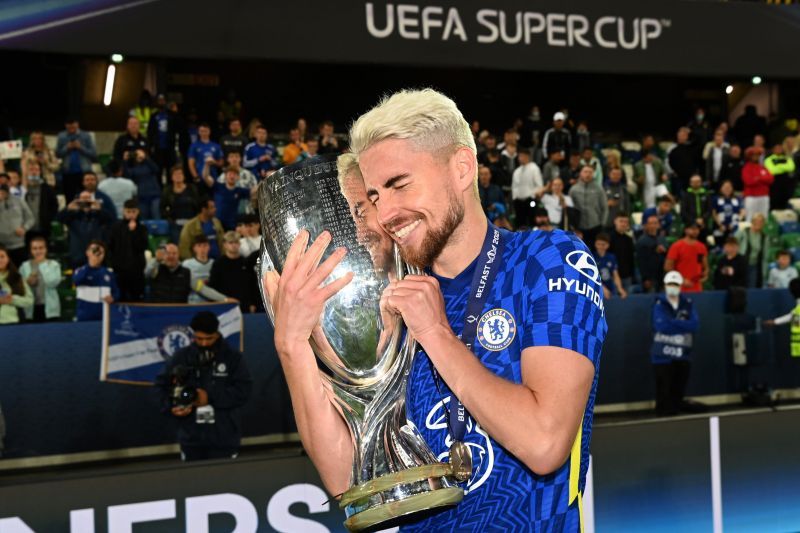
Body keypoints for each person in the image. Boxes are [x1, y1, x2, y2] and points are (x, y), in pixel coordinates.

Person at [264, 89, 607, 530]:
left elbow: (544, 443)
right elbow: (348, 480)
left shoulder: (546, 260)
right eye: (372, 198)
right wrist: (292, 344)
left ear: (461, 168)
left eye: (398, 184)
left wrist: (436, 334)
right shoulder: (389, 297)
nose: (385, 212)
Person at [154, 310, 252, 462]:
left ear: (217, 334)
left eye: (209, 338)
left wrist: (209, 397)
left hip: (224, 437)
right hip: (191, 438)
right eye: (199, 338)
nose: (204, 343)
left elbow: (243, 391)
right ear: (193, 335)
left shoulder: (233, 358)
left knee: (226, 484)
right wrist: (172, 406)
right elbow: (160, 386)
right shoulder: (181, 357)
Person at [650, 271, 700, 417]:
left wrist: (672, 324)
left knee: (679, 387)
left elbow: (695, 325)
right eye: (670, 284)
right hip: (662, 355)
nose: (673, 287)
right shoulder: (659, 304)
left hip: (683, 354)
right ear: (665, 285)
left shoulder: (688, 303)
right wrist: (682, 324)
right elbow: (661, 326)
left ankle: (676, 413)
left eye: (676, 284)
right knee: (664, 389)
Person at [57, 191, 114, 267]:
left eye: (88, 198)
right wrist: (68, 209)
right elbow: (58, 219)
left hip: (95, 255)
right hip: (77, 255)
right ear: (78, 199)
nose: (85, 200)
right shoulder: (72, 215)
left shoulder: (98, 214)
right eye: (83, 198)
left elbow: (110, 220)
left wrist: (100, 210)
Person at [108, 199, 149, 302]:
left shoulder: (142, 229)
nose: (131, 215)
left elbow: (142, 247)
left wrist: (133, 232)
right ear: (123, 212)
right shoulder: (115, 227)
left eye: (133, 212)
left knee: (137, 300)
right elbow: (111, 247)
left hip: (136, 272)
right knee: (120, 299)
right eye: (128, 212)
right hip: (120, 271)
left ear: (138, 212)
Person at [208, 232, 253, 312]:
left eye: (236, 242)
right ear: (225, 244)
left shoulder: (246, 263)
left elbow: (251, 285)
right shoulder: (218, 264)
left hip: (244, 305)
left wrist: (252, 303)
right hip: (224, 305)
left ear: (239, 244)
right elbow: (213, 285)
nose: (234, 245)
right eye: (231, 242)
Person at [73, 240, 118, 321]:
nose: (98, 254)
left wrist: (113, 298)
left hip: (104, 318)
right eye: (94, 250)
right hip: (84, 318)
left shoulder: (109, 273)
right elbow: (77, 281)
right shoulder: (80, 270)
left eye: (101, 252)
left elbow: (116, 292)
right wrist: (90, 266)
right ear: (87, 252)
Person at [19, 237, 62, 322]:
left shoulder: (54, 265)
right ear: (31, 250)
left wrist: (43, 264)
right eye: (34, 248)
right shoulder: (24, 266)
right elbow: (20, 287)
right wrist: (28, 282)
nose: (38, 251)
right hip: (31, 309)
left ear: (46, 249)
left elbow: (52, 283)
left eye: (41, 248)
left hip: (50, 310)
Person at [55, 117, 97, 203]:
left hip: (84, 171)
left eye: (73, 127)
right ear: (66, 126)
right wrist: (67, 147)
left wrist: (80, 147)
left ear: (77, 125)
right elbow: (57, 154)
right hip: (67, 172)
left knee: (86, 197)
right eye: (69, 128)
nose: (71, 129)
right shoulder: (61, 136)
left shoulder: (86, 136)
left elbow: (93, 154)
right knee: (69, 199)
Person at [569, 164, 608, 250]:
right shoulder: (573, 189)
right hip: (579, 227)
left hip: (595, 226)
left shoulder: (599, 189)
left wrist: (602, 224)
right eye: (585, 172)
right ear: (581, 173)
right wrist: (573, 226)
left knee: (594, 252)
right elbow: (570, 210)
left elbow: (604, 207)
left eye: (590, 172)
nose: (588, 174)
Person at [203, 166, 252, 231]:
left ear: (238, 177)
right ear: (225, 176)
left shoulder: (239, 191)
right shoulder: (218, 186)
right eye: (230, 174)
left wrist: (266, 180)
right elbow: (205, 177)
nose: (232, 176)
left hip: (232, 225)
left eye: (234, 174)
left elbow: (254, 191)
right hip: (217, 223)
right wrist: (207, 165)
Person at [161, 165, 200, 245]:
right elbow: (162, 207)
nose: (178, 176)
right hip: (175, 224)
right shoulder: (167, 191)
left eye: (180, 174)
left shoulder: (191, 189)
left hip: (191, 222)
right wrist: (169, 219)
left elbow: (198, 205)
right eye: (175, 174)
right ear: (171, 177)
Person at [182, 235, 227, 304]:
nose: (202, 249)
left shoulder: (215, 263)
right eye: (199, 246)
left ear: (209, 247)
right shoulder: (186, 264)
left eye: (205, 245)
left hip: (213, 300)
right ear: (194, 248)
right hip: (193, 301)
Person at [664, 223, 709, 293]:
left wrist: (705, 275)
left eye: (697, 229)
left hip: (696, 288)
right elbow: (668, 267)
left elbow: (705, 266)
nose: (695, 231)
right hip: (679, 288)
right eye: (693, 229)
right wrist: (681, 280)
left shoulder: (702, 247)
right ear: (686, 230)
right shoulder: (677, 246)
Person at [22, 161, 59, 242]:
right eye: (31, 169)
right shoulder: (21, 189)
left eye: (36, 169)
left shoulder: (47, 189)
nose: (34, 172)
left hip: (43, 228)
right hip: (24, 229)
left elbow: (54, 206)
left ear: (40, 172)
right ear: (26, 172)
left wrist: (48, 220)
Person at [763, 278, 800, 357]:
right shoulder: (797, 309)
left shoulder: (797, 309)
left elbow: (793, 317)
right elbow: (794, 318)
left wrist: (775, 321)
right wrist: (775, 322)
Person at [0, 183, 34, 267]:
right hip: (1, 245)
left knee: (21, 269)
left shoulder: (19, 201)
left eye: (3, 192)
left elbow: (30, 218)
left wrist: (24, 228)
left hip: (19, 244)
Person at [147, 94, 180, 176]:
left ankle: (170, 187)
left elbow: (177, 128)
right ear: (157, 102)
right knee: (158, 170)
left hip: (170, 148)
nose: (161, 102)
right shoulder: (154, 116)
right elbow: (150, 132)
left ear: (165, 102)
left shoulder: (172, 115)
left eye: (163, 100)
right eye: (159, 100)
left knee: (171, 170)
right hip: (158, 148)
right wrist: (150, 146)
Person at [0, 244, 33, 325]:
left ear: (8, 258)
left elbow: (29, 301)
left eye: (2, 256)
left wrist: (12, 299)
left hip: (16, 324)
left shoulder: (17, 278)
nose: (0, 260)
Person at [124, 148, 161, 219]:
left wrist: (145, 158)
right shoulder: (132, 167)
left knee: (156, 216)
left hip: (154, 195)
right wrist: (125, 161)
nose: (138, 156)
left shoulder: (149, 164)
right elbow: (127, 175)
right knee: (144, 218)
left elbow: (156, 169)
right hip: (142, 197)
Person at [735, 213, 770, 289]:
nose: (758, 223)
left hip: (754, 265)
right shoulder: (743, 232)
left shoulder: (764, 237)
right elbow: (733, 243)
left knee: (752, 287)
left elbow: (765, 256)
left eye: (761, 222)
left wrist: (764, 272)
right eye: (757, 221)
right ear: (752, 222)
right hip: (741, 264)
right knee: (739, 287)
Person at [187, 123, 224, 194]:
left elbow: (221, 163)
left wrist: (214, 162)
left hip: (213, 177)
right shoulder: (194, 146)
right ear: (198, 132)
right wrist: (195, 177)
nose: (204, 133)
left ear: (209, 131)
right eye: (202, 131)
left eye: (205, 131)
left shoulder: (216, 146)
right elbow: (191, 163)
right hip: (200, 177)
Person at [510, 149, 543, 228]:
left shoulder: (534, 168)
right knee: (520, 224)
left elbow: (539, 185)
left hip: (530, 200)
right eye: (519, 156)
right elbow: (514, 186)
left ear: (528, 156)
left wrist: (534, 195)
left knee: (532, 222)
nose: (520, 158)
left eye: (522, 156)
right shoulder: (517, 171)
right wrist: (515, 198)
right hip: (518, 201)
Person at [636, 215, 669, 293]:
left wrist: (664, 251)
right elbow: (641, 261)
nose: (653, 225)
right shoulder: (642, 240)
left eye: (655, 223)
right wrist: (646, 278)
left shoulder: (662, 239)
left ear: (658, 225)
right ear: (646, 225)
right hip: (650, 277)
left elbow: (668, 256)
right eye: (650, 223)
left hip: (662, 276)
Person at [742, 146, 773, 222]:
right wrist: (762, 179)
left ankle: (762, 234)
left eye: (758, 155)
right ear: (750, 156)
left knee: (764, 218)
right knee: (750, 218)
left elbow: (771, 179)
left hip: (764, 196)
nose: (756, 157)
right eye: (754, 155)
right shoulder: (746, 167)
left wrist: (758, 178)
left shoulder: (763, 167)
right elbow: (748, 181)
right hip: (751, 197)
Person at [594, 232, 627, 299]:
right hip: (596, 289)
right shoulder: (592, 257)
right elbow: (592, 276)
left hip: (611, 288)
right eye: (598, 244)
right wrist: (602, 288)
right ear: (595, 244)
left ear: (608, 245)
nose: (600, 247)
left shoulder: (611, 257)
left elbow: (615, 275)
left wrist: (620, 288)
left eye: (603, 244)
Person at [712, 180, 744, 246]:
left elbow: (742, 212)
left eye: (729, 187)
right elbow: (714, 213)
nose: (727, 189)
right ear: (721, 188)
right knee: (719, 246)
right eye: (725, 187)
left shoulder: (738, 199)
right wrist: (720, 225)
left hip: (734, 227)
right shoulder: (716, 199)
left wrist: (735, 222)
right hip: (720, 227)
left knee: (733, 245)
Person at [764, 143, 796, 210]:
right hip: (775, 186)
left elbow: (791, 167)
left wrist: (778, 167)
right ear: (773, 150)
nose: (778, 150)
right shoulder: (768, 159)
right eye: (777, 148)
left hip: (786, 185)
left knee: (785, 204)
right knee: (775, 205)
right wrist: (784, 168)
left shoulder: (787, 158)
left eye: (780, 148)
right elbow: (772, 170)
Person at [680, 174, 712, 239]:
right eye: (694, 182)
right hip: (689, 225)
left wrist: (703, 219)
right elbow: (683, 211)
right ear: (690, 183)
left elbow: (709, 210)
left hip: (703, 224)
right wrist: (694, 221)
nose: (696, 183)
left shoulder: (706, 194)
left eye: (698, 181)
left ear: (701, 182)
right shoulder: (686, 195)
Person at [609, 214, 635, 292]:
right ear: (615, 222)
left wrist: (631, 274)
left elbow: (631, 258)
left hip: (627, 276)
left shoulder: (629, 239)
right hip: (612, 276)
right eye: (621, 221)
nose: (623, 224)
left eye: (626, 222)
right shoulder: (609, 238)